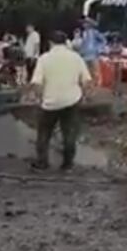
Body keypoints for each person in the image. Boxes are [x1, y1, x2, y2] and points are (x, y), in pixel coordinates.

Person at [30, 31, 92, 171]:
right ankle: (67, 164)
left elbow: (37, 83)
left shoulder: (44, 58)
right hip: (72, 100)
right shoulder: (76, 58)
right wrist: (85, 96)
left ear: (50, 43)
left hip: (50, 102)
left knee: (44, 133)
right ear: (65, 42)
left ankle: (42, 163)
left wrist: (39, 98)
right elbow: (87, 81)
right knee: (69, 133)